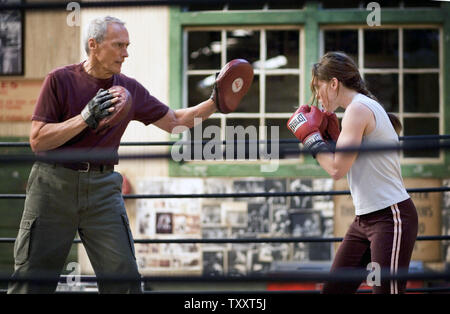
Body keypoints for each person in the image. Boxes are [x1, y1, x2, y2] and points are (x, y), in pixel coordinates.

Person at [8, 16, 219, 294]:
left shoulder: (129, 89)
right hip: (53, 185)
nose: (126, 52)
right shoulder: (60, 80)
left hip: (103, 188)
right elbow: (37, 140)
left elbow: (175, 121)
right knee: (31, 280)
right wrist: (85, 117)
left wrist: (216, 102)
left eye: (127, 45)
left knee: (125, 279)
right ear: (93, 45)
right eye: (119, 45)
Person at [287, 51, 418, 294]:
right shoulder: (358, 110)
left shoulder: (357, 110)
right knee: (333, 290)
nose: (316, 95)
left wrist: (311, 138)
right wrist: (331, 140)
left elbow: (336, 169)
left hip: (390, 217)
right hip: (364, 220)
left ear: (334, 83)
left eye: (319, 87)